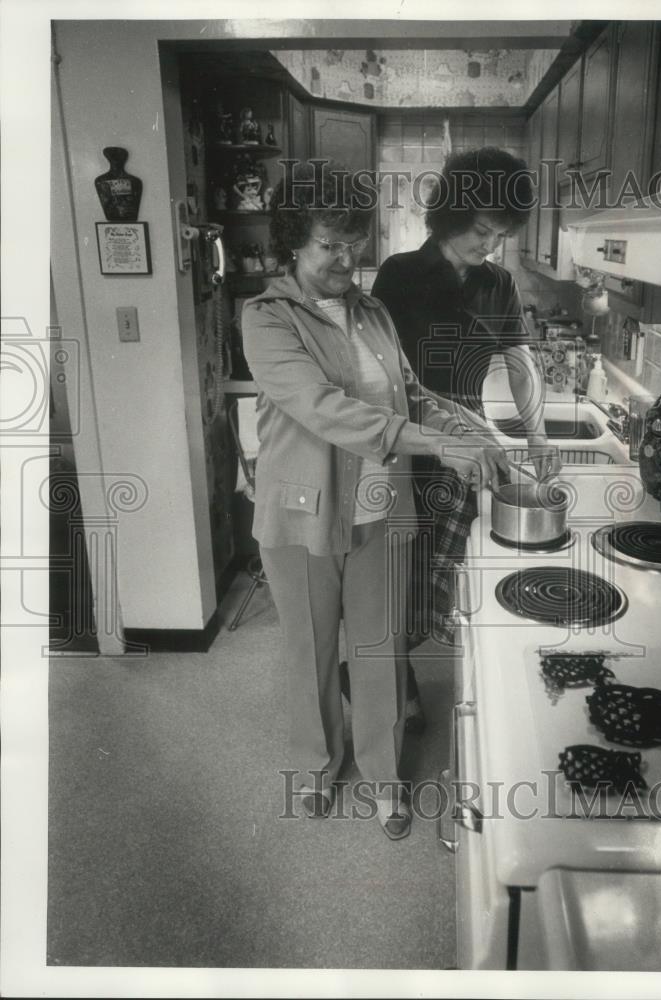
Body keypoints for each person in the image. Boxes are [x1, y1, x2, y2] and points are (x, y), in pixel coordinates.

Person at [241, 161, 507, 840]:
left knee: (381, 650)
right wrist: (429, 444)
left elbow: (408, 393)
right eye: (329, 244)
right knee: (310, 646)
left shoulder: (373, 311)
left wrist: (464, 428)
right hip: (302, 514)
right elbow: (324, 409)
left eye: (353, 242)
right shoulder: (267, 319)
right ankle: (316, 767)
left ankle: (386, 779)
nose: (344, 258)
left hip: (380, 508)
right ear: (294, 242)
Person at [372, 146, 550, 655]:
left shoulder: (499, 283)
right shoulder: (400, 274)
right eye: (482, 231)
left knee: (452, 566)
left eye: (501, 235)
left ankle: (438, 669)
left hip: (467, 450)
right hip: (411, 445)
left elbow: (520, 362)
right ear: (450, 215)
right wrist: (457, 425)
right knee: (402, 571)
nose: (491, 246)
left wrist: (535, 435)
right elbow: (384, 377)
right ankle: (393, 682)